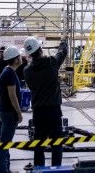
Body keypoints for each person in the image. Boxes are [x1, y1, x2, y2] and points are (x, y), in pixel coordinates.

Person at [24, 37, 68, 167]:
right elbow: (63, 52)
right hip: (54, 110)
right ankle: (56, 169)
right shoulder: (51, 62)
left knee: (39, 145)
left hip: (38, 112)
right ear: (40, 49)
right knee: (56, 144)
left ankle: (39, 169)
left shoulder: (27, 71)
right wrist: (63, 41)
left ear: (29, 54)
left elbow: (32, 87)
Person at [0, 46, 24, 173]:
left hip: (6, 112)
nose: (21, 58)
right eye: (19, 56)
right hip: (9, 113)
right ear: (15, 60)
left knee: (5, 143)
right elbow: (12, 95)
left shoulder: (7, 71)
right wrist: (19, 113)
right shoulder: (9, 74)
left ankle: (6, 169)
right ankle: (3, 171)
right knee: (4, 144)